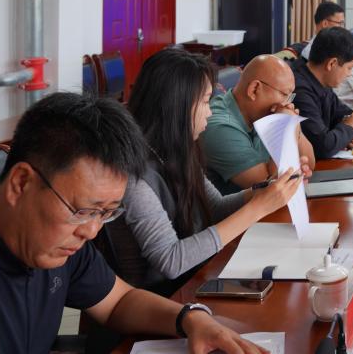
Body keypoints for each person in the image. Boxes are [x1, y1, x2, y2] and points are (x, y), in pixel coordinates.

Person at [0, 93, 265, 354]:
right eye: (84, 211)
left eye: (106, 213)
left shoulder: (56, 238)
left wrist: (191, 318)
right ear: (21, 183)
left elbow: (118, 301)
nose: (91, 231)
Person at [103, 49, 301, 293]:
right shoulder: (132, 177)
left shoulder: (176, 150)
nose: (210, 111)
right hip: (162, 298)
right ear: (177, 105)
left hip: (196, 277)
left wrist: (266, 190)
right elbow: (171, 261)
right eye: (206, 101)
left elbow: (215, 208)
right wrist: (258, 207)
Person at [200, 55, 315, 195]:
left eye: (290, 96)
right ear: (254, 89)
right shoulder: (220, 128)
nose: (287, 104)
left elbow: (309, 164)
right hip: (239, 208)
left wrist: (293, 126)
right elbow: (271, 188)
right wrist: (285, 129)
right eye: (285, 94)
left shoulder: (264, 114)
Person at [291, 27, 353, 159]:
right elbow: (322, 146)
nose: (349, 74)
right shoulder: (299, 90)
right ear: (332, 64)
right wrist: (350, 130)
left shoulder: (321, 81)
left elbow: (344, 114)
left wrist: (346, 136)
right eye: (349, 68)